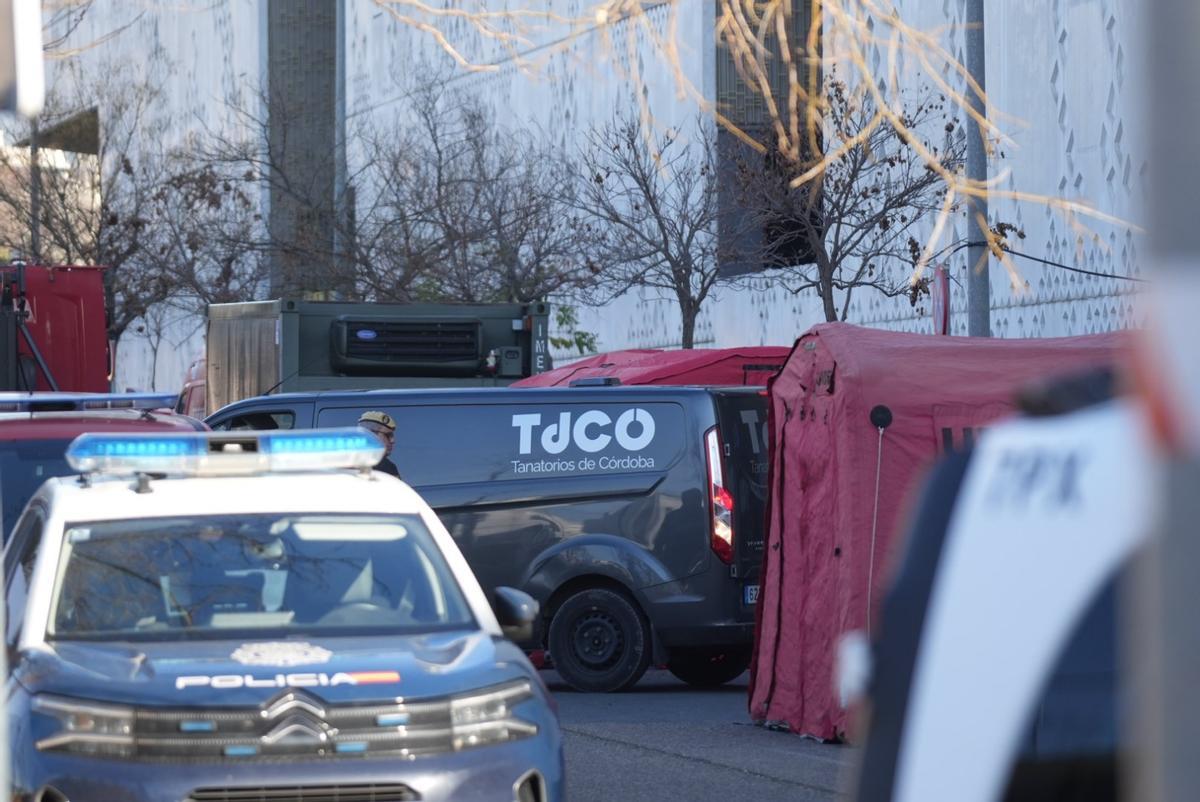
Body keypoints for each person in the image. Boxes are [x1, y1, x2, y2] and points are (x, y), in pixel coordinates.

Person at [358, 410, 401, 478]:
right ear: (371, 435)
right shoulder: (385, 466)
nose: (392, 440)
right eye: (388, 435)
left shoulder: (344, 462)